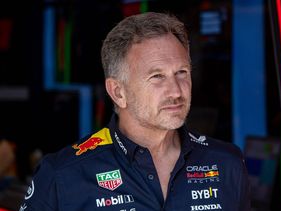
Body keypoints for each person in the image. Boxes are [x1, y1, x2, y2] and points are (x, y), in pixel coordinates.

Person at [21, 12, 251, 210]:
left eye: (181, 72)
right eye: (157, 76)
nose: (176, 91)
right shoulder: (63, 175)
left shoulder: (226, 163)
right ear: (118, 92)